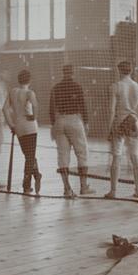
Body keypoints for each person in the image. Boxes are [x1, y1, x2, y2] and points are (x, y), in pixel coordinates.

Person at [49, 65, 95, 198]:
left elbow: (51, 109)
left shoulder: (56, 88)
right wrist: (86, 122)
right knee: (82, 153)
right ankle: (83, 187)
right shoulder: (77, 86)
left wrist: (54, 124)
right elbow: (83, 105)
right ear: (73, 73)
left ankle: (67, 189)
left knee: (63, 156)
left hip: (60, 120)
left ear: (63, 73)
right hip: (74, 120)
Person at [105, 61, 138, 201]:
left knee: (117, 156)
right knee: (135, 157)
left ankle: (113, 191)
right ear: (131, 71)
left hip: (119, 121)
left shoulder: (115, 86)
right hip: (134, 122)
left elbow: (112, 110)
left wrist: (109, 128)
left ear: (119, 71)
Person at [3, 69, 42, 195]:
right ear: (30, 80)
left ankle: (37, 175)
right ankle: (26, 185)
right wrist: (34, 117)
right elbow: (36, 106)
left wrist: (11, 125)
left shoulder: (12, 92)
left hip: (19, 126)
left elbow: (4, 109)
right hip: (30, 127)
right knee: (30, 156)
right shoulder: (30, 93)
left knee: (28, 155)